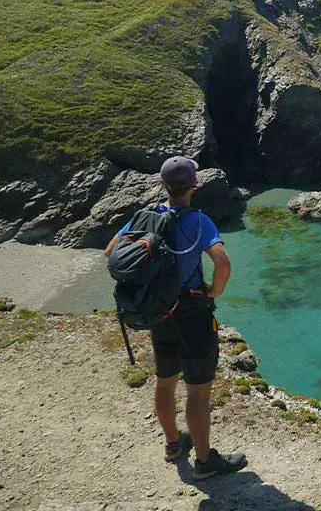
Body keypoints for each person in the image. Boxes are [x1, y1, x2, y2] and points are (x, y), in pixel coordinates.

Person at [104, 155, 246, 479]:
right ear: (194, 185)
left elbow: (111, 252)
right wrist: (214, 291)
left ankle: (172, 444)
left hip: (159, 312)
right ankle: (205, 462)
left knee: (165, 379)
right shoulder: (198, 221)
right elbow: (222, 262)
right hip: (192, 314)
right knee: (198, 389)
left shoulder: (146, 216)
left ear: (163, 185)